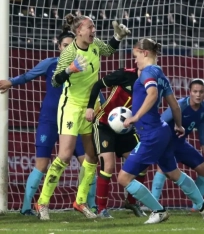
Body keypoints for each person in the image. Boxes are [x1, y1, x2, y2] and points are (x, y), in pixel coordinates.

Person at [34, 13, 130, 220]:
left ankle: (80, 201)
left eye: (94, 27)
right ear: (79, 31)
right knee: (65, 156)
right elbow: (55, 82)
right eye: (90, 27)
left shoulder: (95, 45)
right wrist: (70, 70)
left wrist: (118, 37)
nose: (93, 31)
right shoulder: (69, 53)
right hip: (71, 107)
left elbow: (109, 50)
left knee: (92, 156)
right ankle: (42, 203)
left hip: (91, 107)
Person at [0, 28, 103, 215]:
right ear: (58, 47)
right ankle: (26, 208)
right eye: (64, 45)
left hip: (75, 120)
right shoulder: (51, 63)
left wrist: (104, 107)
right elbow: (28, 75)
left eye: (70, 45)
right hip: (50, 120)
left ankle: (91, 205)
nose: (67, 48)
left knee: (89, 160)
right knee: (41, 163)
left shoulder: (84, 64)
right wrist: (11, 82)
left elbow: (95, 89)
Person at [117, 38, 204, 224]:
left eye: (135, 55)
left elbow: (152, 94)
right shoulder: (161, 74)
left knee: (123, 178)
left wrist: (135, 117)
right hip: (162, 132)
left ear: (144, 53)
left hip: (151, 134)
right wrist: (178, 125)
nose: (134, 60)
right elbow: (175, 107)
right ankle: (203, 207)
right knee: (173, 172)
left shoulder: (148, 72)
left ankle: (158, 211)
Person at [85, 67, 147, 218]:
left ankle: (131, 202)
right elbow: (97, 85)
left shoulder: (150, 84)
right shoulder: (124, 74)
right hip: (104, 124)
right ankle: (101, 209)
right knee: (108, 164)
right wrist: (89, 107)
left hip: (126, 128)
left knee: (143, 161)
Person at [151, 78, 204, 211]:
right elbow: (161, 121)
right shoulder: (180, 105)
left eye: (201, 92)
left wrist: (203, 145)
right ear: (189, 92)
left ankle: (197, 207)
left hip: (181, 145)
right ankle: (153, 206)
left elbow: (201, 124)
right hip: (167, 144)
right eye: (195, 91)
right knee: (163, 169)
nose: (198, 94)